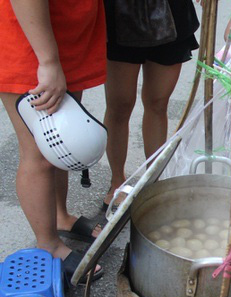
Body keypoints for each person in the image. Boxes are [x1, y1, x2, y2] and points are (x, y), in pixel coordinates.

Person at [0, 0, 106, 280]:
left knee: (61, 143)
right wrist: (48, 61)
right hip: (32, 45)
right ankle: (47, 244)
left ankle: (60, 215)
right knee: (38, 154)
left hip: (65, 37)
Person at [101, 0, 199, 210]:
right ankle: (117, 181)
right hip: (120, 13)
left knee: (158, 102)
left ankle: (152, 180)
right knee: (120, 105)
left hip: (171, 11)